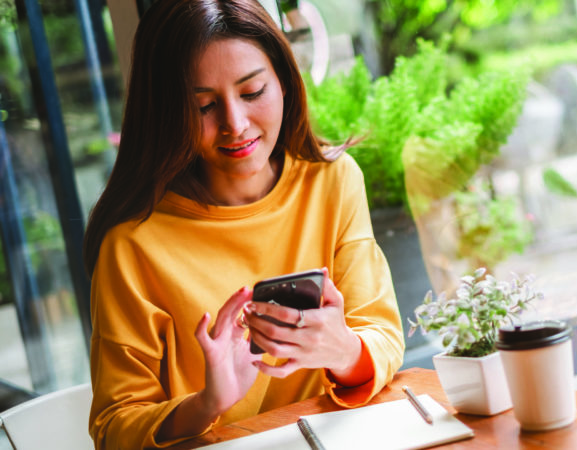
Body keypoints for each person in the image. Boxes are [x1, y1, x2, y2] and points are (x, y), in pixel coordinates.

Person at [82, 0, 404, 448]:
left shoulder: (333, 181)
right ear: (167, 114)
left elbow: (382, 333)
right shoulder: (133, 244)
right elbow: (114, 427)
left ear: (285, 83)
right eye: (204, 106)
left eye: (252, 93)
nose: (236, 124)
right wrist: (207, 402)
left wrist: (344, 350)